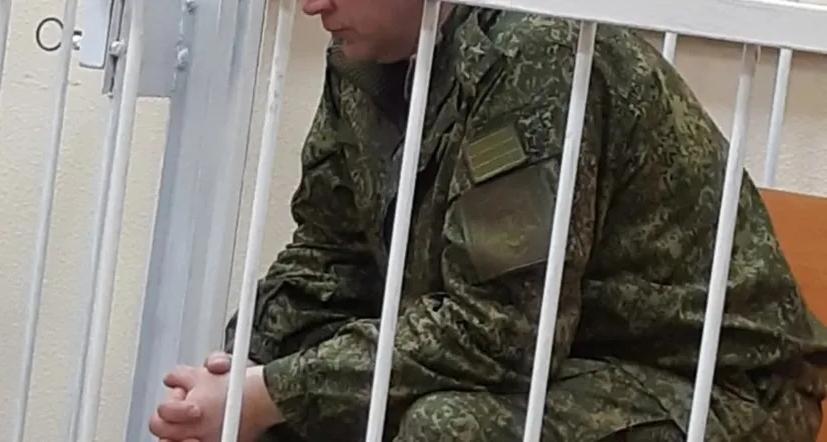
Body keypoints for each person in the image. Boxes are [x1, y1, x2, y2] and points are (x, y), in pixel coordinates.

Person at [147, 0, 827, 441]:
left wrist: (274, 392)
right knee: (284, 375)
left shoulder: (536, 50)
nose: (310, 5)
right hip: (561, 361)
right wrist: (241, 373)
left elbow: (502, 330)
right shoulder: (368, 54)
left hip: (718, 392)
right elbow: (328, 255)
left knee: (446, 429)